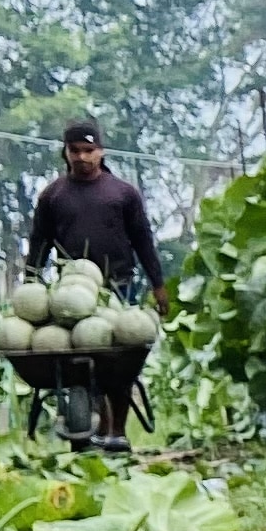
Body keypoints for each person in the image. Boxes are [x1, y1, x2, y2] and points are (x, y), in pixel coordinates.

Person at [25, 118, 167, 447]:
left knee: (120, 363)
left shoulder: (123, 194)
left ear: (101, 152)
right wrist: (30, 284)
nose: (82, 157)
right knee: (81, 362)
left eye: (89, 150)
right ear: (66, 152)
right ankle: (93, 427)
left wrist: (158, 284)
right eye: (75, 150)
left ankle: (115, 431)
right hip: (71, 293)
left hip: (119, 287)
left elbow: (143, 241)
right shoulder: (53, 195)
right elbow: (39, 244)